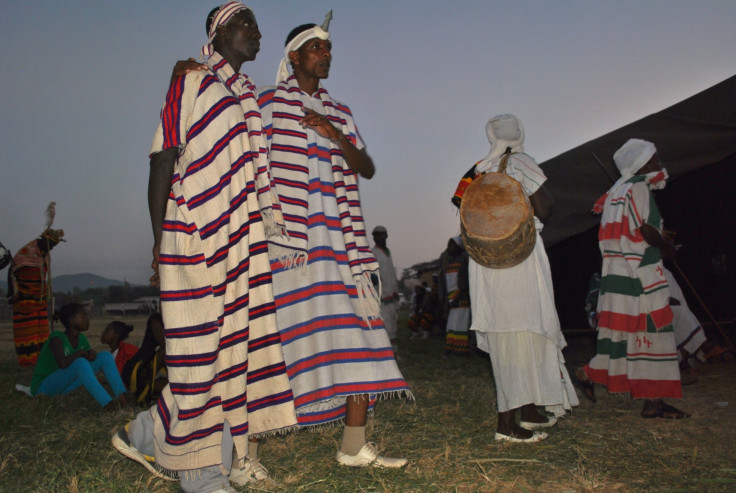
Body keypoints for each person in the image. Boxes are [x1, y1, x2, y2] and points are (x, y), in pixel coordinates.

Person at [113, 4, 298, 492]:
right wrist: (160, 243)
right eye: (247, 24)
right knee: (196, 354)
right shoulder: (191, 83)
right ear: (218, 34)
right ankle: (200, 474)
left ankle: (144, 432)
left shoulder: (244, 98)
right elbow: (163, 158)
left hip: (238, 243)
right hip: (192, 233)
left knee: (229, 354)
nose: (258, 33)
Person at [257, 14, 412, 467]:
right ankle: (245, 453)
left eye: (328, 49)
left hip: (341, 245)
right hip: (287, 251)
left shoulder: (340, 111)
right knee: (274, 343)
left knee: (362, 336)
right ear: (293, 56)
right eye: (316, 48)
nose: (326, 55)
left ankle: (353, 446)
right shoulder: (266, 105)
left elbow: (365, 167)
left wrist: (333, 133)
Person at [452, 114, 578, 442]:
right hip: (518, 259)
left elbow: (461, 209)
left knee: (510, 333)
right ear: (519, 133)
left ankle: (529, 410)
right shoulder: (521, 161)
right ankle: (506, 426)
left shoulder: (478, 170)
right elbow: (545, 208)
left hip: (486, 263)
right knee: (523, 330)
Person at [577, 138, 690, 419]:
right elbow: (645, 231)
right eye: (653, 158)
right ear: (640, 163)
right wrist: (668, 249)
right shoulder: (637, 187)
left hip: (617, 274)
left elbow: (629, 230)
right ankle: (653, 402)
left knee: (624, 334)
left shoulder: (615, 191)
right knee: (653, 332)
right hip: (639, 272)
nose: (658, 163)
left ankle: (588, 373)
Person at [30, 303, 129, 410]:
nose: (88, 318)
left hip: (64, 387)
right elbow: (62, 364)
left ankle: (124, 403)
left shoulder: (82, 339)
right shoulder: (56, 338)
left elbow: (87, 360)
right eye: (84, 315)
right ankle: (109, 406)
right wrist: (80, 354)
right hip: (44, 388)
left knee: (105, 356)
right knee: (80, 363)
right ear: (71, 320)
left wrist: (91, 353)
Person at [7, 214, 64, 367]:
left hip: (40, 301)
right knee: (28, 333)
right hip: (26, 301)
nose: (52, 248)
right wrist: (20, 293)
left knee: (42, 333)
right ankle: (28, 362)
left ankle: (42, 360)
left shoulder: (44, 254)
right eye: (51, 245)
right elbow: (14, 273)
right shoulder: (27, 252)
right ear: (44, 240)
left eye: (54, 246)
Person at [120, 312, 168, 405]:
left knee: (178, 387)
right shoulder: (156, 319)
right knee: (170, 350)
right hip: (137, 369)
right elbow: (166, 346)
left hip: (154, 375)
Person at [438, 237, 471, 357]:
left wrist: (456, 299)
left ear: (458, 247)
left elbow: (464, 284)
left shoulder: (464, 261)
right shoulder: (448, 262)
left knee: (460, 324)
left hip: (461, 299)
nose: (449, 247)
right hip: (452, 299)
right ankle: (451, 349)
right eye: (448, 245)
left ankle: (460, 352)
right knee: (451, 325)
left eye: (451, 245)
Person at [371, 225, 400, 354]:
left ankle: (393, 349)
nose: (380, 237)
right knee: (385, 323)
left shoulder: (388, 252)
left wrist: (396, 290)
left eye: (382, 234)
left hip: (391, 294)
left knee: (393, 321)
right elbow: (371, 272)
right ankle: (386, 351)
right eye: (377, 235)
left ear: (386, 236)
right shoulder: (373, 253)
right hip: (381, 295)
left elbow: (391, 273)